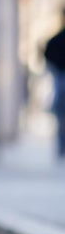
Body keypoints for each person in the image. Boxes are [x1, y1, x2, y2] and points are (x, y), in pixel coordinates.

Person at [44, 11, 65, 157]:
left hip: (59, 75)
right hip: (60, 75)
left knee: (60, 114)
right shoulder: (58, 38)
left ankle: (61, 145)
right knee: (60, 113)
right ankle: (61, 144)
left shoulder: (57, 38)